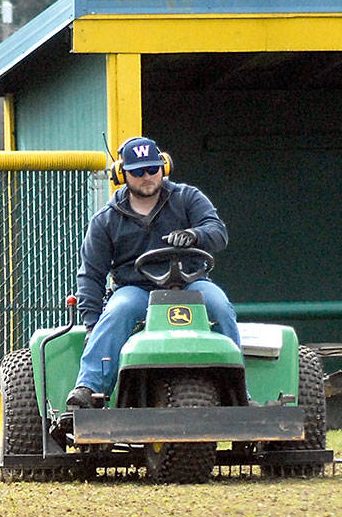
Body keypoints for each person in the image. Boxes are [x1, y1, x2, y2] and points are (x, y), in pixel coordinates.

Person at [67, 135, 242, 409]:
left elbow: (218, 232)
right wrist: (91, 323)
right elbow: (91, 274)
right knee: (118, 311)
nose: (147, 176)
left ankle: (236, 388)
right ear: (121, 173)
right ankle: (89, 387)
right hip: (136, 290)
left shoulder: (188, 198)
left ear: (164, 167)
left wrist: (195, 235)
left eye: (152, 169)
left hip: (191, 284)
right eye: (137, 172)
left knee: (219, 304)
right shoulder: (105, 220)